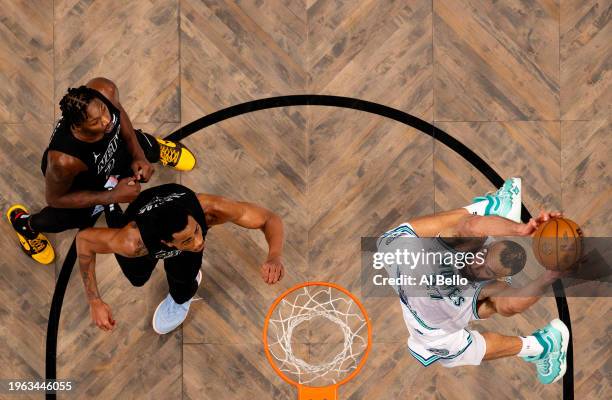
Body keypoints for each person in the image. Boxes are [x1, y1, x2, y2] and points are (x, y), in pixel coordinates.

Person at [377, 178, 570, 384]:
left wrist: (548, 278)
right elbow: (472, 225)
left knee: (455, 351)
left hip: (428, 324)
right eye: (483, 256)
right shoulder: (467, 245)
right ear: (485, 246)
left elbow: (510, 304)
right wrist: (520, 229)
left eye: (486, 270)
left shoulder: (488, 289)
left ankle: (542, 345)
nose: (477, 264)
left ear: (495, 278)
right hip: (405, 268)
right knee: (400, 238)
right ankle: (492, 208)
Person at [6, 77, 196, 264]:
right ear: (78, 126)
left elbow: (119, 116)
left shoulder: (104, 90)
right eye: (95, 121)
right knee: (63, 219)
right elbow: (55, 199)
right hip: (81, 182)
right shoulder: (64, 161)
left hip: (114, 156)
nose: (106, 121)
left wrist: (139, 155)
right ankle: (24, 224)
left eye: (104, 110)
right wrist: (113, 196)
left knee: (144, 146)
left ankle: (158, 148)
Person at [75, 183, 285, 334]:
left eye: (196, 230)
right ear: (166, 243)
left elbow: (268, 218)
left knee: (184, 281)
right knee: (137, 277)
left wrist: (274, 256)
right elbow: (84, 241)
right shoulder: (133, 243)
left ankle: (180, 298)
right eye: (187, 240)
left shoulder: (209, 209)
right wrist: (94, 300)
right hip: (137, 222)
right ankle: (112, 197)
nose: (198, 242)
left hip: (171, 222)